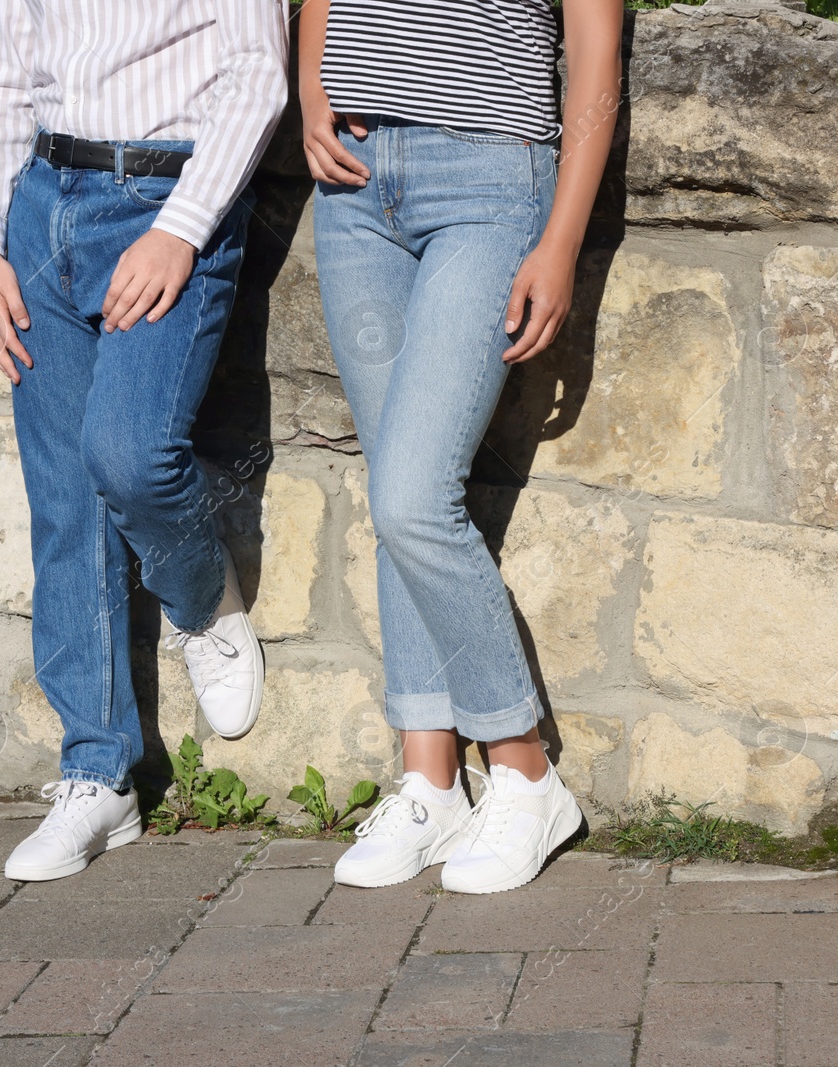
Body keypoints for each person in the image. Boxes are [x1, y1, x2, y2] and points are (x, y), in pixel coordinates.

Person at [0, 0, 289, 882]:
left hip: (169, 198)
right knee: (64, 501)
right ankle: (97, 774)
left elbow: (257, 72)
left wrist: (181, 229)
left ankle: (200, 598)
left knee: (129, 455)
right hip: (42, 201)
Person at [299, 0, 623, 893]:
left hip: (488, 180)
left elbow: (596, 55)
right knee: (389, 482)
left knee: (414, 493)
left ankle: (524, 772)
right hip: (355, 187)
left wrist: (559, 238)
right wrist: (308, 87)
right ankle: (429, 780)